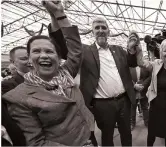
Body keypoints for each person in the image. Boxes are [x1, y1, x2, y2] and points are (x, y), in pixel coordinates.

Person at [3, 1, 94, 146]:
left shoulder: (66, 73)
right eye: (36, 51)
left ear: (58, 58)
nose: (44, 55)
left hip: (87, 136)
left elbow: (75, 49)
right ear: (29, 59)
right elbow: (36, 143)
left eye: (49, 51)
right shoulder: (18, 97)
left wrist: (59, 13)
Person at [48, 5, 138, 147]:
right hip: (102, 104)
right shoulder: (85, 51)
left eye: (103, 28)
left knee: (126, 132)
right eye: (97, 28)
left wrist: (132, 50)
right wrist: (55, 16)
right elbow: (62, 45)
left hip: (124, 101)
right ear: (93, 32)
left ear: (109, 31)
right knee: (107, 136)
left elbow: (132, 63)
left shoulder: (119, 50)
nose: (101, 31)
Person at [129, 35, 166, 146]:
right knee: (151, 135)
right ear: (161, 52)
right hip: (155, 108)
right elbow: (141, 62)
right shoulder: (156, 64)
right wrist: (137, 47)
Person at [130, 65, 150, 130]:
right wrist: (134, 85)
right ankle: (132, 123)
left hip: (143, 89)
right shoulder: (129, 66)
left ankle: (147, 123)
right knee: (132, 107)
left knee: (145, 107)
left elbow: (150, 76)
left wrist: (143, 85)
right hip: (133, 90)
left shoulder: (145, 66)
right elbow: (126, 77)